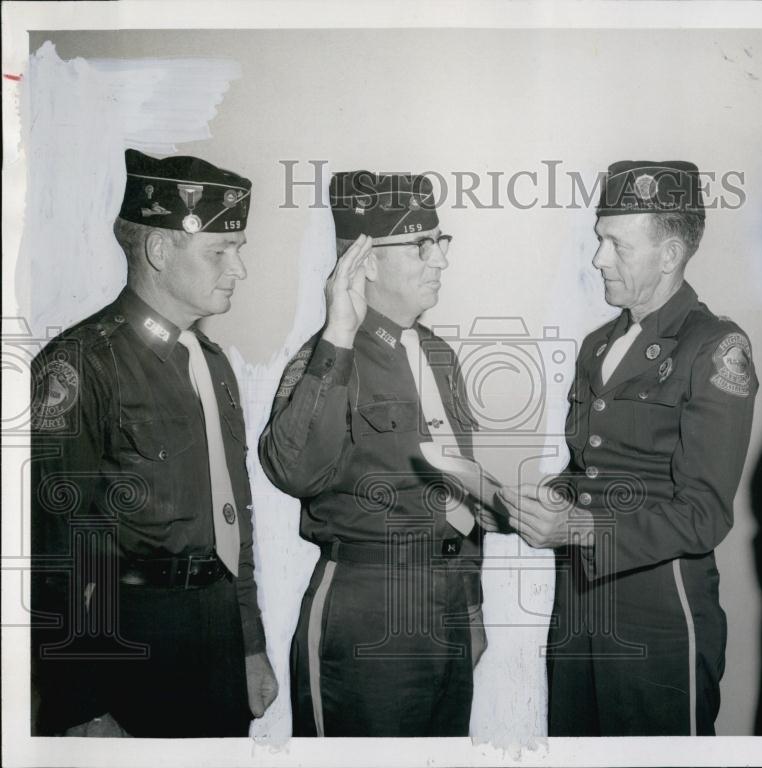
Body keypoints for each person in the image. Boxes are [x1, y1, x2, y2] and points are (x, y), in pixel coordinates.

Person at [500, 161, 758, 735]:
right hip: (579, 603)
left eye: (616, 244)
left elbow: (704, 515)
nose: (598, 259)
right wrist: (515, 503)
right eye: (599, 241)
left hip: (660, 611)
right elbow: (586, 472)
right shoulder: (598, 345)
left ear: (669, 254)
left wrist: (581, 529)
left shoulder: (713, 347)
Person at [31, 149, 278, 737]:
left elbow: (230, 521)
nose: (238, 269)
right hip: (130, 643)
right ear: (160, 250)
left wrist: (248, 644)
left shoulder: (211, 364)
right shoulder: (79, 365)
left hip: (215, 631)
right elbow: (58, 549)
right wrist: (83, 702)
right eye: (221, 252)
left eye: (238, 250)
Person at [258, 171, 485, 737]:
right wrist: (338, 330)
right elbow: (291, 470)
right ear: (364, 262)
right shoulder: (327, 358)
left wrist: (472, 608)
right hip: (366, 611)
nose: (440, 260)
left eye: (440, 241)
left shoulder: (439, 356)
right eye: (420, 245)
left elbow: (460, 492)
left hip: (448, 607)